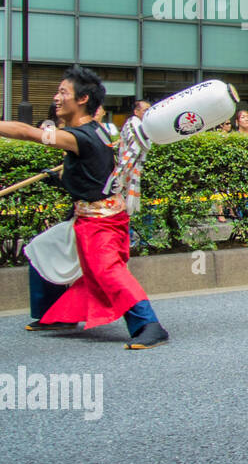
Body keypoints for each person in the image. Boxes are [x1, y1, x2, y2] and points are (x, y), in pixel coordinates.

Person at [2, 67, 169, 349]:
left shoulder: (82, 137)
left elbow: (27, 132)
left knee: (107, 271)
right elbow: (93, 174)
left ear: (82, 99)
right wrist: (61, 178)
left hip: (101, 223)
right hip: (85, 217)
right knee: (42, 248)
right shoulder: (95, 133)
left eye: (63, 92)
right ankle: (56, 315)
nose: (56, 98)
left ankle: (149, 324)